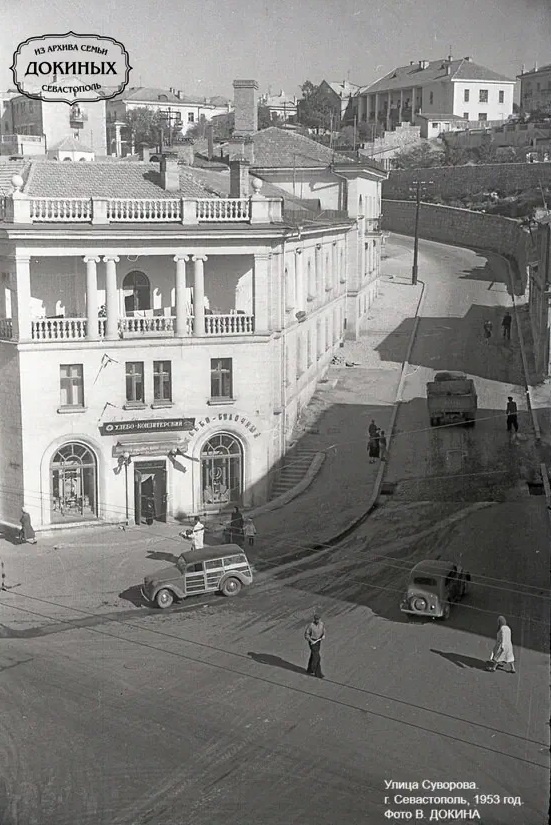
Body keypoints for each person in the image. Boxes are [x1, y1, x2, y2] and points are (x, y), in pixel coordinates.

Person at [304, 613, 325, 678]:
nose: (317, 620)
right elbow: (306, 635)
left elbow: (323, 630)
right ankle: (318, 673)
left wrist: (323, 635)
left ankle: (309, 669)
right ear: (314, 619)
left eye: (318, 619)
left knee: (313, 655)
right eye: (316, 619)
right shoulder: (311, 626)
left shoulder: (322, 624)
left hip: (318, 641)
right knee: (317, 657)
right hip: (312, 642)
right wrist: (311, 640)